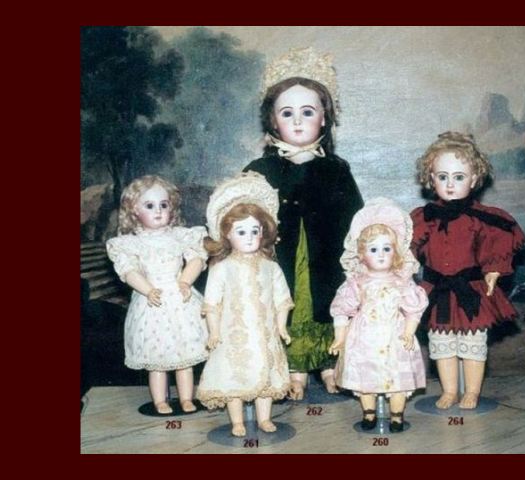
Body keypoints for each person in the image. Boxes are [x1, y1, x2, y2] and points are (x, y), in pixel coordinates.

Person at [244, 47, 364, 399]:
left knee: (327, 305)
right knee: (289, 305)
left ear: (324, 119)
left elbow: (355, 216)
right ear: (273, 122)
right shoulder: (261, 171)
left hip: (326, 257)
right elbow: (242, 216)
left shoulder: (336, 169)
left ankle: (329, 365)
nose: (297, 121)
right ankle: (294, 369)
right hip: (281, 257)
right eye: (287, 113)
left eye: (307, 112)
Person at [411, 132, 525, 410]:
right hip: (437, 292)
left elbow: (495, 245)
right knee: (441, 344)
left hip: (471, 291)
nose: (450, 184)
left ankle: (472, 391)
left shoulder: (484, 219)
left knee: (473, 345)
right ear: (431, 178)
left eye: (459, 177)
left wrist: (493, 270)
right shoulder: (423, 217)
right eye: (442, 177)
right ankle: (450, 390)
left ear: (474, 179)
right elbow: (410, 248)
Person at [196, 172, 293, 437]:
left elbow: (282, 300)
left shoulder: (270, 267)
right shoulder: (222, 268)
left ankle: (264, 418)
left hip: (265, 333)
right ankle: (237, 421)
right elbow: (212, 304)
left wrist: (281, 327)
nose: (249, 237)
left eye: (254, 231)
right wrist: (214, 332)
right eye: (241, 231)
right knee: (234, 378)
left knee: (266, 379)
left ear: (263, 232)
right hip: (233, 335)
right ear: (227, 234)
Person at [106, 175, 208, 414]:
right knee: (157, 361)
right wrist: (147, 289)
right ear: (134, 210)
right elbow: (129, 271)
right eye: (150, 206)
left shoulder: (181, 236)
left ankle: (186, 398)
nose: (159, 211)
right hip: (152, 303)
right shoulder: (130, 244)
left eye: (164, 204)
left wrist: (185, 280)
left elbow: (196, 258)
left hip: (181, 300)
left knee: (185, 358)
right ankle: (160, 400)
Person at [329, 198, 427, 432]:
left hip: (396, 336)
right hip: (364, 338)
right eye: (373, 249)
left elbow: (413, 308)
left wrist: (408, 332)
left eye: (387, 248)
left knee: (398, 379)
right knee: (365, 378)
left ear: (396, 252)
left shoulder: (402, 281)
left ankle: (396, 416)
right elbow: (342, 309)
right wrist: (340, 337)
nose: (381, 254)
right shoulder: (357, 282)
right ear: (362, 254)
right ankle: (369, 413)